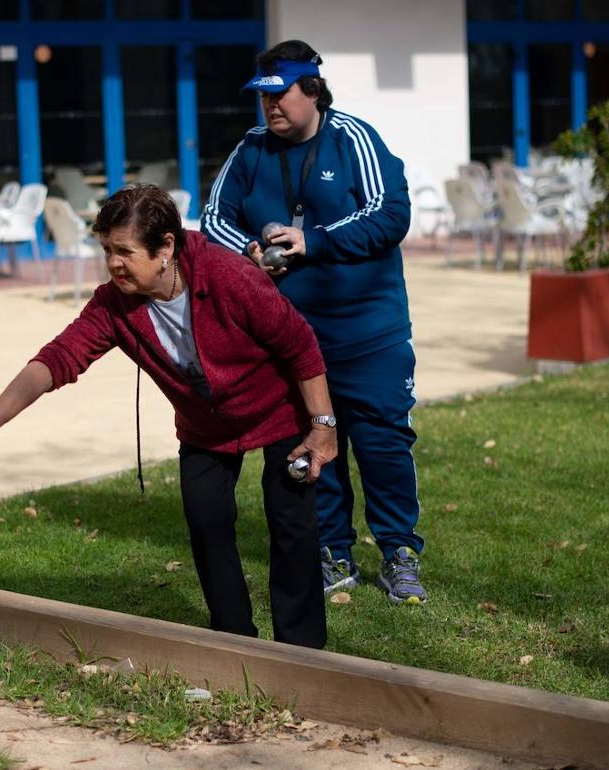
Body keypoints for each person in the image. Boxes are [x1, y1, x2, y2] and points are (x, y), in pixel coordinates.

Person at [0, 184, 337, 648]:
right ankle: (235, 643)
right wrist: (0, 407)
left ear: (165, 246)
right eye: (107, 249)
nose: (113, 263)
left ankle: (304, 650)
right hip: (205, 427)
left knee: (292, 528)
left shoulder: (229, 276)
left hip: (277, 412)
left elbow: (300, 345)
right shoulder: (115, 303)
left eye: (124, 251)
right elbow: (62, 355)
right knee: (207, 523)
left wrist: (322, 428)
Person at [201, 40, 427, 604]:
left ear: (313, 91)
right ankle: (334, 553)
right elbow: (212, 219)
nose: (270, 107)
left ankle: (399, 551)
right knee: (312, 446)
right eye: (263, 97)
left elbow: (390, 214)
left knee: (382, 445)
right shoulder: (250, 150)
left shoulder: (354, 139)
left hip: (368, 333)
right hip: (292, 340)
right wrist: (251, 252)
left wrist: (313, 241)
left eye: (281, 95)